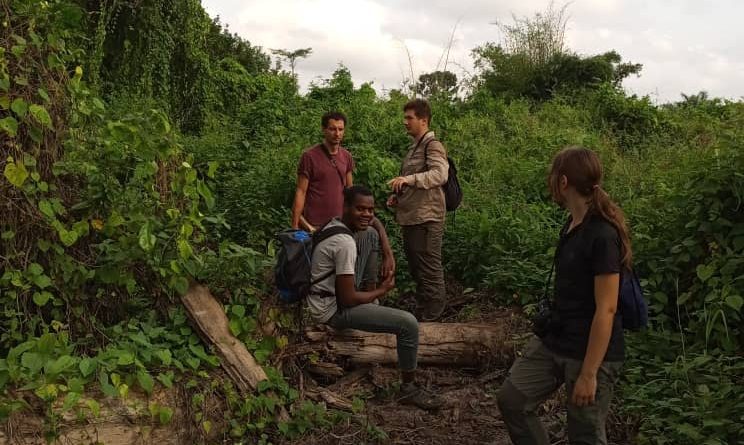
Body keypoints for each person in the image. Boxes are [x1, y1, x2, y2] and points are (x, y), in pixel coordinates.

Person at [497, 146, 630, 445]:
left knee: (585, 436)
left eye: (553, 176)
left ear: (564, 182)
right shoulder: (572, 224)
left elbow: (607, 309)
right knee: (512, 400)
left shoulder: (602, 235)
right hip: (556, 337)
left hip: (590, 352)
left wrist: (589, 373)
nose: (550, 182)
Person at [308, 185, 443, 410]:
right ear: (346, 207)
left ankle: (371, 303)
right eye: (360, 209)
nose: (367, 214)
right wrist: (382, 290)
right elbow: (348, 299)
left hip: (323, 294)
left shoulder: (335, 223)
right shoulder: (345, 244)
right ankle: (408, 389)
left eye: (371, 210)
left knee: (370, 234)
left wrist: (387, 252)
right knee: (408, 324)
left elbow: (374, 223)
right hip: (329, 311)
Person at [291, 111, 395, 281]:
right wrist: (295, 226)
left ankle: (366, 289)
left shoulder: (346, 157)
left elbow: (350, 191)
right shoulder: (309, 156)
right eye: (332, 129)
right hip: (317, 227)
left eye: (340, 129)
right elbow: (301, 191)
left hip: (341, 225)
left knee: (365, 242)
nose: (337, 133)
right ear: (324, 130)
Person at [387, 99, 448, 321]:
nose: (405, 122)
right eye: (405, 118)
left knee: (429, 267)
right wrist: (398, 195)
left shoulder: (433, 146)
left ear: (423, 121)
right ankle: (424, 309)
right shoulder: (414, 148)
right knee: (417, 266)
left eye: (409, 118)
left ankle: (433, 315)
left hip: (428, 218)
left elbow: (440, 175)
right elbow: (412, 182)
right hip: (412, 216)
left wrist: (409, 179)